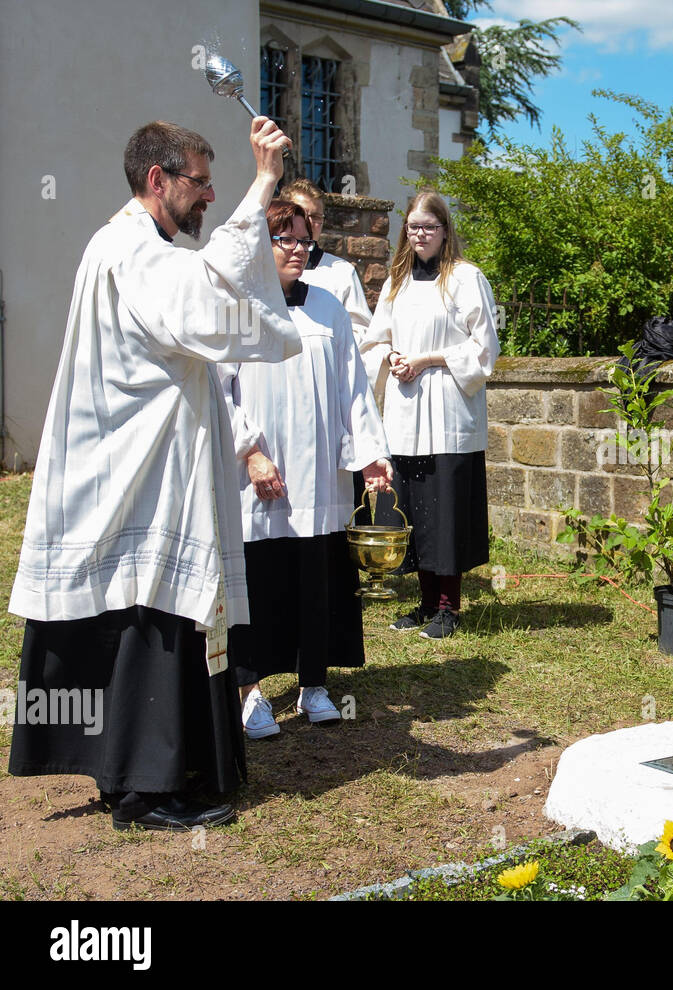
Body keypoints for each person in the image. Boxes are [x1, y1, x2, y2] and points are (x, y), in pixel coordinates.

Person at [7, 117, 300, 831]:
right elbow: (206, 299)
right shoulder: (129, 250)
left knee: (148, 615)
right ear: (157, 179)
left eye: (213, 184)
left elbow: (209, 308)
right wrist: (264, 180)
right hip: (135, 477)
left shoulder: (138, 248)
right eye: (200, 182)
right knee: (147, 618)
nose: (208, 197)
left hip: (145, 467)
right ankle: (145, 790)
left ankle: (144, 774)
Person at [222, 200, 393, 739]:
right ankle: (250, 692)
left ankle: (313, 684)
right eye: (283, 239)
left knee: (316, 579)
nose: (298, 248)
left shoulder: (328, 308)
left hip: (318, 474)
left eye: (302, 239)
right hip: (260, 475)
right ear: (260, 245)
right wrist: (249, 452)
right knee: (259, 579)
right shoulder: (239, 308)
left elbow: (353, 389)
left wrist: (369, 455)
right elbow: (217, 391)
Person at [360, 190, 499, 639]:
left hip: (447, 409)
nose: (420, 235)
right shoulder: (397, 281)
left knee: (446, 512)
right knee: (415, 508)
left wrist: (428, 360)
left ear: (445, 230)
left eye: (429, 227)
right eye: (413, 226)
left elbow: (484, 350)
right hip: (405, 410)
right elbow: (375, 338)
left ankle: (448, 608)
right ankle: (423, 603)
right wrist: (391, 358)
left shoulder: (464, 278)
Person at [280, 178, 372, 346]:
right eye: (300, 213)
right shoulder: (265, 272)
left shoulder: (341, 272)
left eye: (315, 217)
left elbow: (361, 332)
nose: (308, 223)